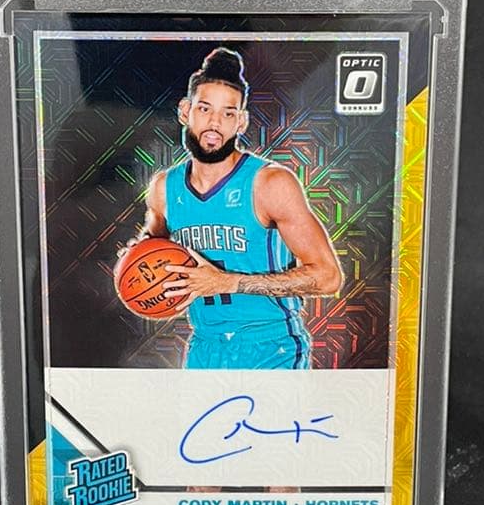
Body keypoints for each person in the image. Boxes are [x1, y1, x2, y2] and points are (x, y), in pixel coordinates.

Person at [134, 46, 343, 370]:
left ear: (241, 122)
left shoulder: (270, 183)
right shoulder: (164, 188)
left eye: (228, 113)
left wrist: (228, 282)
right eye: (205, 109)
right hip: (204, 347)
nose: (214, 123)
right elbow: (152, 246)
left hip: (272, 347)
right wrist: (136, 259)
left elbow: (328, 277)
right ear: (185, 111)